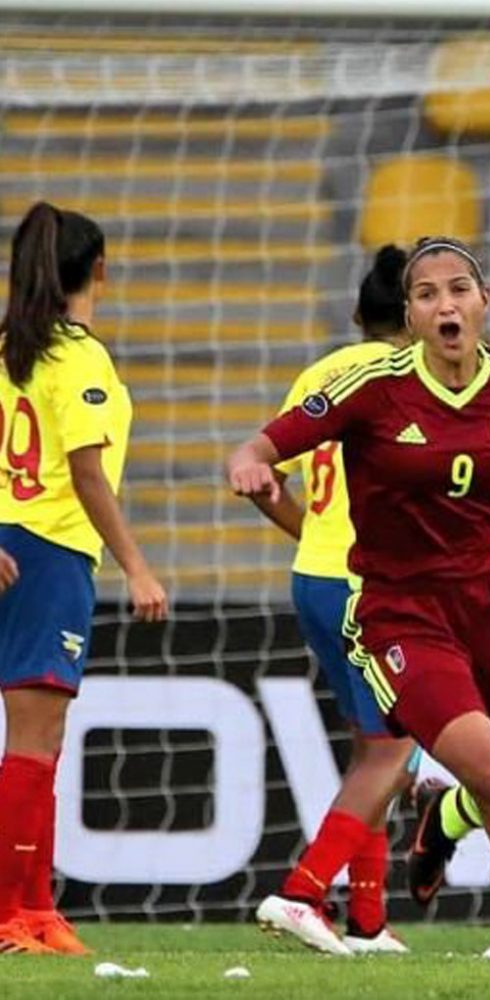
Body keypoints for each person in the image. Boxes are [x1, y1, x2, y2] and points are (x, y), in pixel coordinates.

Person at [227, 236, 490, 988]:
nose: (445, 304)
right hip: (401, 613)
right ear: (410, 315)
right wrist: (251, 460)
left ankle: (443, 823)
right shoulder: (372, 387)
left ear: (484, 302)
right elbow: (271, 439)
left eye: (458, 290)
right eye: (427, 294)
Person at [0, 202, 168, 955]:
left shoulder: (7, 348)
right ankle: (11, 914)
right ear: (99, 268)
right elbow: (88, 475)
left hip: (12, 542)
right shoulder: (78, 356)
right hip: (48, 551)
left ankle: (35, 909)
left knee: (40, 738)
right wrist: (137, 566)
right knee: (34, 739)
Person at [250, 246, 415, 955]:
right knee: (395, 747)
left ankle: (369, 922)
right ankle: (302, 891)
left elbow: (263, 479)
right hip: (366, 583)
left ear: (356, 312)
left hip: (314, 577)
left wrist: (311, 532)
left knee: (369, 746)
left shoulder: (320, 373)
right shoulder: (406, 378)